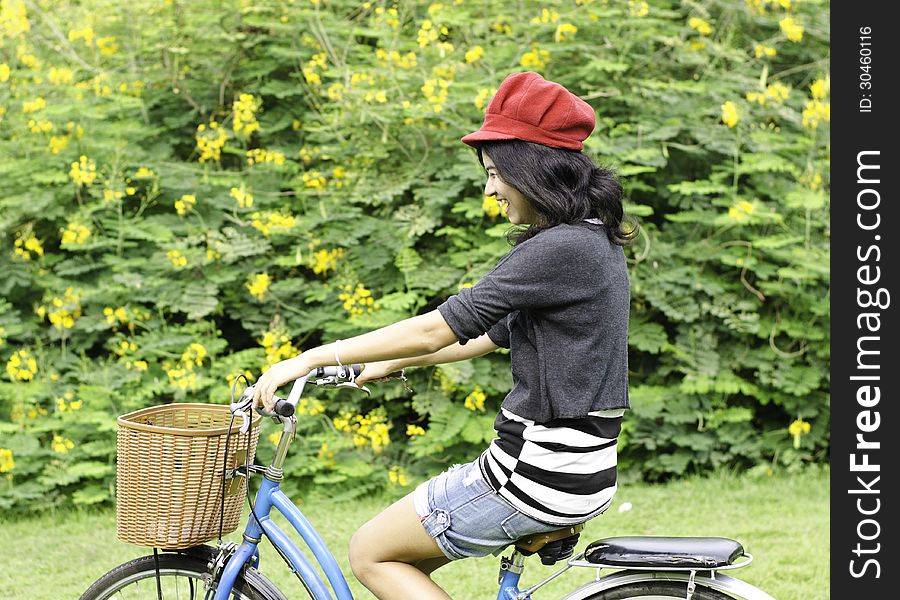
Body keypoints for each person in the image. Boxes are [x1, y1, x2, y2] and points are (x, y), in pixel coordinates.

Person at [253, 71, 637, 600]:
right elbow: (489, 333)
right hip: (580, 466)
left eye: (496, 173)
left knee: (371, 552)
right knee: (408, 562)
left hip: (536, 470)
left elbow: (438, 329)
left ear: (532, 169)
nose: (489, 189)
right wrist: (393, 363)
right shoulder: (591, 241)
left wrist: (305, 359)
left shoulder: (561, 248)